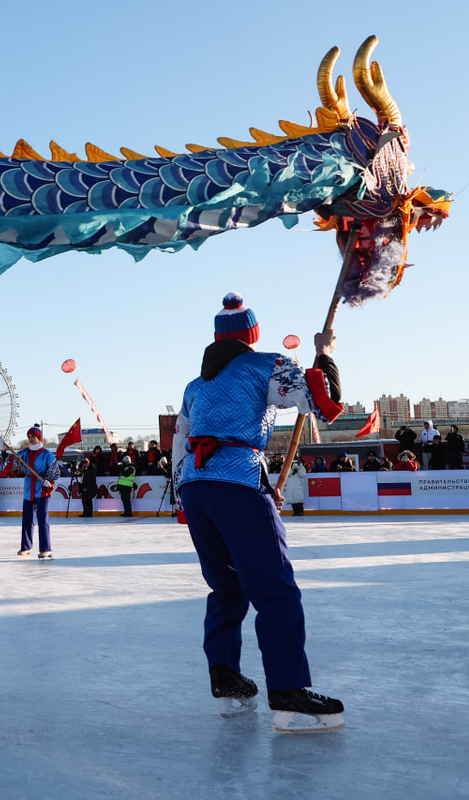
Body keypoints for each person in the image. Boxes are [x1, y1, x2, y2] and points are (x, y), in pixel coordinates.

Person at [174, 292, 345, 733]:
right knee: (276, 590)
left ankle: (226, 678)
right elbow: (320, 402)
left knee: (227, 587)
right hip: (237, 482)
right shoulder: (262, 364)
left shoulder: (196, 386)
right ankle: (288, 691)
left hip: (196, 487)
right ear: (252, 334)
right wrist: (325, 354)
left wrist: (184, 496)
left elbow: (180, 443)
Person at [14, 425, 60, 557]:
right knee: (27, 518)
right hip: (29, 488)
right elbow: (13, 463)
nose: (31, 439)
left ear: (39, 437)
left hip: (42, 489)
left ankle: (46, 548)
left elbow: (55, 472)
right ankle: (26, 547)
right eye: (29, 437)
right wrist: (3, 451)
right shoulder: (24, 453)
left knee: (42, 518)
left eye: (33, 436)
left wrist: (49, 481)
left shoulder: (47, 454)